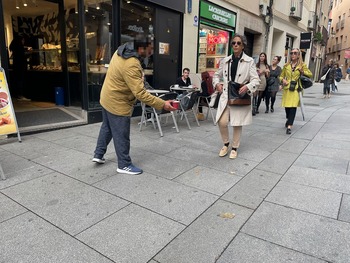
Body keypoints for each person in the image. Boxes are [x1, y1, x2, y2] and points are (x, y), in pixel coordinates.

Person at [92, 42, 176, 175]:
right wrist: (163, 104)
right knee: (121, 134)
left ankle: (98, 153)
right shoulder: (132, 63)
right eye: (149, 51)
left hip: (106, 97)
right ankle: (124, 164)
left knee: (107, 126)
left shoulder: (120, 51)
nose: (150, 54)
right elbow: (140, 93)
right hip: (118, 103)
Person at [213, 34, 260, 159]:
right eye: (233, 43)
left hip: (239, 96)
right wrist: (217, 84)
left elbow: (256, 80)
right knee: (222, 121)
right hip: (226, 96)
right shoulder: (226, 60)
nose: (235, 45)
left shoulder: (249, 61)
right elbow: (216, 75)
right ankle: (226, 143)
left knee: (237, 123)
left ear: (243, 45)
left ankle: (234, 147)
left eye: (238, 43)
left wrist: (248, 86)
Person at [279, 48, 312, 135]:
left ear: (298, 55)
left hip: (296, 89)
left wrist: (303, 71)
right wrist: (283, 81)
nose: (293, 54)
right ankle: (288, 118)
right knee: (287, 107)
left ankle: (290, 125)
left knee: (293, 107)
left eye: (295, 53)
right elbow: (281, 76)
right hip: (287, 88)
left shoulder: (302, 65)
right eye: (291, 53)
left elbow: (310, 74)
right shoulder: (286, 65)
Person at [9, 35, 31, 101]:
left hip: (16, 67)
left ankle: (17, 95)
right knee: (20, 81)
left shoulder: (14, 48)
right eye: (23, 40)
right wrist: (29, 53)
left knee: (17, 80)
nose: (23, 41)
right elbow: (22, 57)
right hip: (20, 68)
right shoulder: (19, 48)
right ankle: (20, 95)